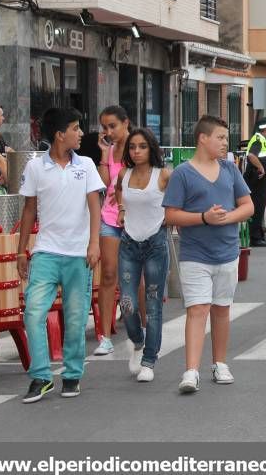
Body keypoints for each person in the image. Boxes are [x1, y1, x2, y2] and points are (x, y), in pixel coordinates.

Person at [18, 108, 105, 403]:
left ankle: (71, 374)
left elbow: (94, 205)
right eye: (75, 128)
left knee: (77, 317)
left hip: (79, 254)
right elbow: (29, 210)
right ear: (59, 135)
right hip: (45, 252)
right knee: (33, 312)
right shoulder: (35, 168)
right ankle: (41, 376)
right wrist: (21, 251)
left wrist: (94, 243)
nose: (81, 133)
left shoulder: (87, 165)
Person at [163, 115, 254, 393]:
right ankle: (191, 371)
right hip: (194, 254)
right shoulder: (183, 173)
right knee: (198, 309)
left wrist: (226, 219)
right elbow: (170, 215)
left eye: (226, 138)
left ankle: (220, 363)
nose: (225, 143)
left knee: (221, 309)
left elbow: (248, 205)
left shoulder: (230, 169)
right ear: (203, 138)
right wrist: (204, 218)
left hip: (227, 252)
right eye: (221, 137)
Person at [114, 128, 172, 382]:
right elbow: (118, 191)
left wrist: (171, 219)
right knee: (127, 302)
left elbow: (176, 200)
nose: (136, 151)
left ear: (151, 149)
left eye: (142, 146)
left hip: (156, 242)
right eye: (132, 147)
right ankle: (137, 341)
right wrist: (122, 209)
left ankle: (149, 360)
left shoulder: (163, 175)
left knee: (153, 303)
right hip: (128, 242)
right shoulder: (124, 173)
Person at [93, 105, 131, 356]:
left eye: (113, 126)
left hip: (134, 219)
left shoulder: (139, 146)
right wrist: (104, 154)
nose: (108, 131)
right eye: (105, 127)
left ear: (126, 122)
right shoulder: (109, 150)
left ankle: (142, 328)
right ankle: (104, 336)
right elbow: (105, 184)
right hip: (109, 216)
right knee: (108, 274)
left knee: (136, 277)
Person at [244, 117, 266, 247]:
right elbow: (251, 155)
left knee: (260, 207)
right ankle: (255, 238)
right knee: (257, 207)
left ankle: (259, 235)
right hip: (258, 179)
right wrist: (261, 167)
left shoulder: (261, 139)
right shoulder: (258, 139)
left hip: (262, 179)